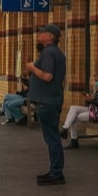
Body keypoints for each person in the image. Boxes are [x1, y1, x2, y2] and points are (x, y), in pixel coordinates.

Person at [25, 23, 66, 186]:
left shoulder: (48, 53)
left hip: (47, 102)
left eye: (43, 32)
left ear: (50, 37)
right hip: (51, 100)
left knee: (52, 139)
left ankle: (56, 172)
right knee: (52, 138)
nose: (39, 34)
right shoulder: (56, 53)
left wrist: (32, 68)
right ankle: (55, 170)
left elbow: (47, 76)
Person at [61, 72, 98, 149]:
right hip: (95, 110)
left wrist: (93, 100)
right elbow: (96, 101)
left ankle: (73, 140)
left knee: (74, 117)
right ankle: (65, 129)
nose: (96, 83)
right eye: (96, 81)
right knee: (73, 108)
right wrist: (89, 98)